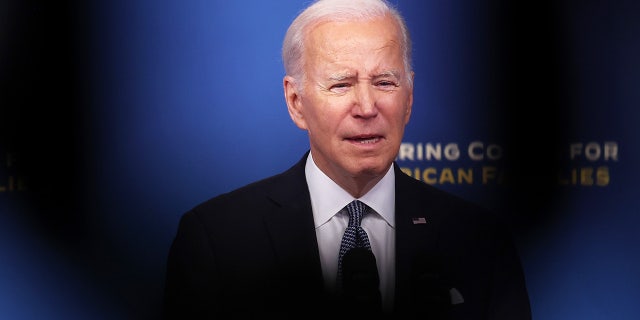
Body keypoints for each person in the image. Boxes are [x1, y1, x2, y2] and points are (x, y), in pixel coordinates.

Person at [162, 0, 532, 319]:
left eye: (385, 82)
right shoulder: (215, 240)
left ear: (409, 97)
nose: (367, 107)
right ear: (296, 102)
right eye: (341, 84)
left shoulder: (481, 242)